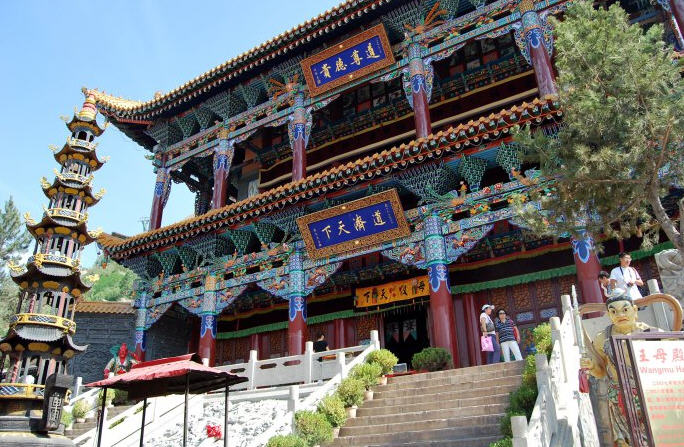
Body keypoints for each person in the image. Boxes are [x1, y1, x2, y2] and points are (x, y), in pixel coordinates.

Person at [580, 288, 660, 446]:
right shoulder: (603, 338)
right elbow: (601, 372)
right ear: (609, 315)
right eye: (614, 312)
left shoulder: (650, 332)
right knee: (627, 440)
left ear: (634, 310)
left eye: (625, 310)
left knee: (655, 435)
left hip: (650, 394)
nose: (620, 315)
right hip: (620, 397)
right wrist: (591, 366)